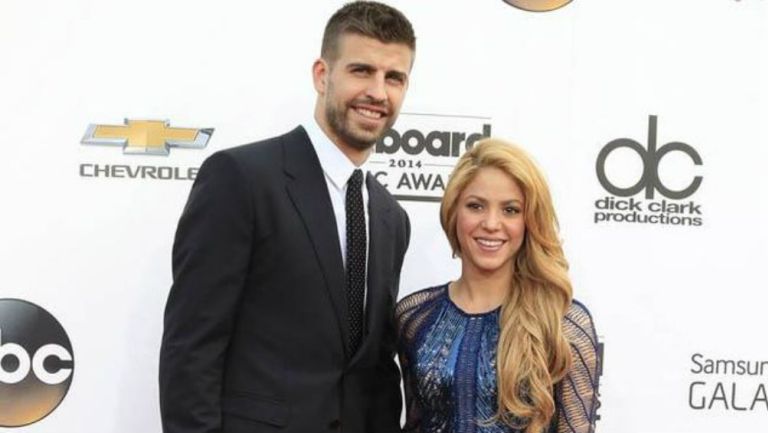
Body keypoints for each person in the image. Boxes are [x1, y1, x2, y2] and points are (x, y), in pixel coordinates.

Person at [159, 2, 415, 433]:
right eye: (361, 70)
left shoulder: (391, 217)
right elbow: (192, 349)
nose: (378, 91)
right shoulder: (242, 179)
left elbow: (373, 369)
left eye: (394, 78)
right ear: (322, 75)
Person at [396, 139, 600, 433]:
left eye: (510, 210)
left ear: (529, 221)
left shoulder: (562, 324)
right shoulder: (415, 317)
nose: (491, 223)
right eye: (476, 206)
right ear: (454, 212)